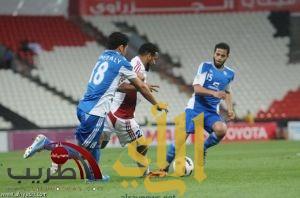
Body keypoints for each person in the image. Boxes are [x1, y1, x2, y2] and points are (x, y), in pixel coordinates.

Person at [23, 32, 168, 179]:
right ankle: (47, 144)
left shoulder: (103, 56)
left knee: (96, 145)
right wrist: (155, 102)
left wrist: (141, 83)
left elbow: (122, 82)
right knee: (83, 151)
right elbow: (137, 87)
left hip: (85, 106)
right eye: (125, 48)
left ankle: (94, 177)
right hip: (97, 111)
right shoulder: (124, 62)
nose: (126, 51)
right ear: (121, 47)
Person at [150, 42, 235, 176]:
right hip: (195, 108)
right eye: (217, 54)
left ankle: (202, 148)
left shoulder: (230, 73)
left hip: (211, 111)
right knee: (180, 139)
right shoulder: (205, 66)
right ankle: (163, 168)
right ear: (214, 53)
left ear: (227, 56)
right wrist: (214, 93)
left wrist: (230, 109)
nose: (219, 57)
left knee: (221, 129)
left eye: (222, 55)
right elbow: (196, 88)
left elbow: (228, 92)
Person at [99, 43, 160, 176]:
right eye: (154, 58)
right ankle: (145, 173)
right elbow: (120, 85)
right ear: (148, 55)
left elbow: (135, 85)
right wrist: (155, 102)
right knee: (142, 144)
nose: (154, 62)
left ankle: (62, 154)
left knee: (97, 145)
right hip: (121, 115)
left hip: (112, 112)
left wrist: (144, 85)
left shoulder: (138, 66)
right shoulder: (136, 65)